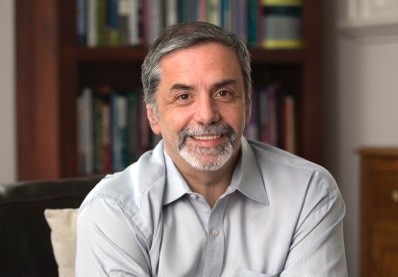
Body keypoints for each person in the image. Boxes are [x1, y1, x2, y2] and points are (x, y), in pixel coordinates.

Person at [76, 21, 348, 276]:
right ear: (153, 116)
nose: (207, 115)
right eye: (184, 97)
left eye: (223, 94)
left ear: (248, 106)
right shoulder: (113, 210)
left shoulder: (309, 192)